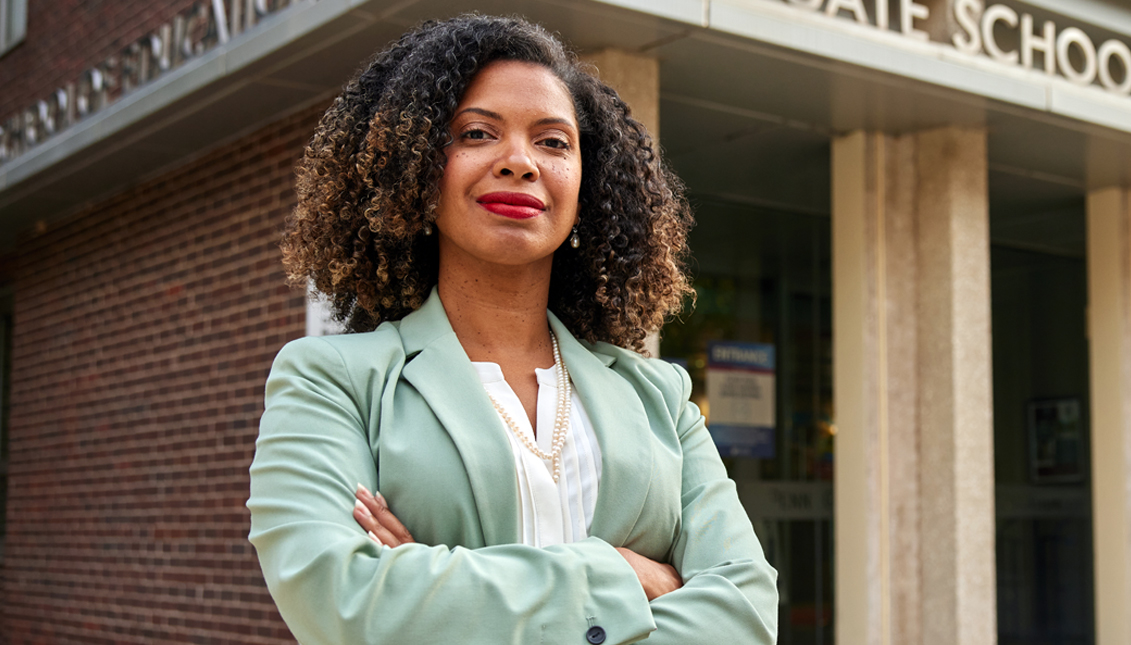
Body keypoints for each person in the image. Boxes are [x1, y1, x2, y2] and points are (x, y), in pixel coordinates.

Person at [247, 14, 778, 645]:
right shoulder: (332, 383)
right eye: (477, 133)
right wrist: (622, 575)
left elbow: (744, 614)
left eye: (553, 142)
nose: (520, 162)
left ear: (589, 185)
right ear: (416, 172)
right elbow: (346, 603)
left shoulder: (659, 396)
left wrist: (437, 582)